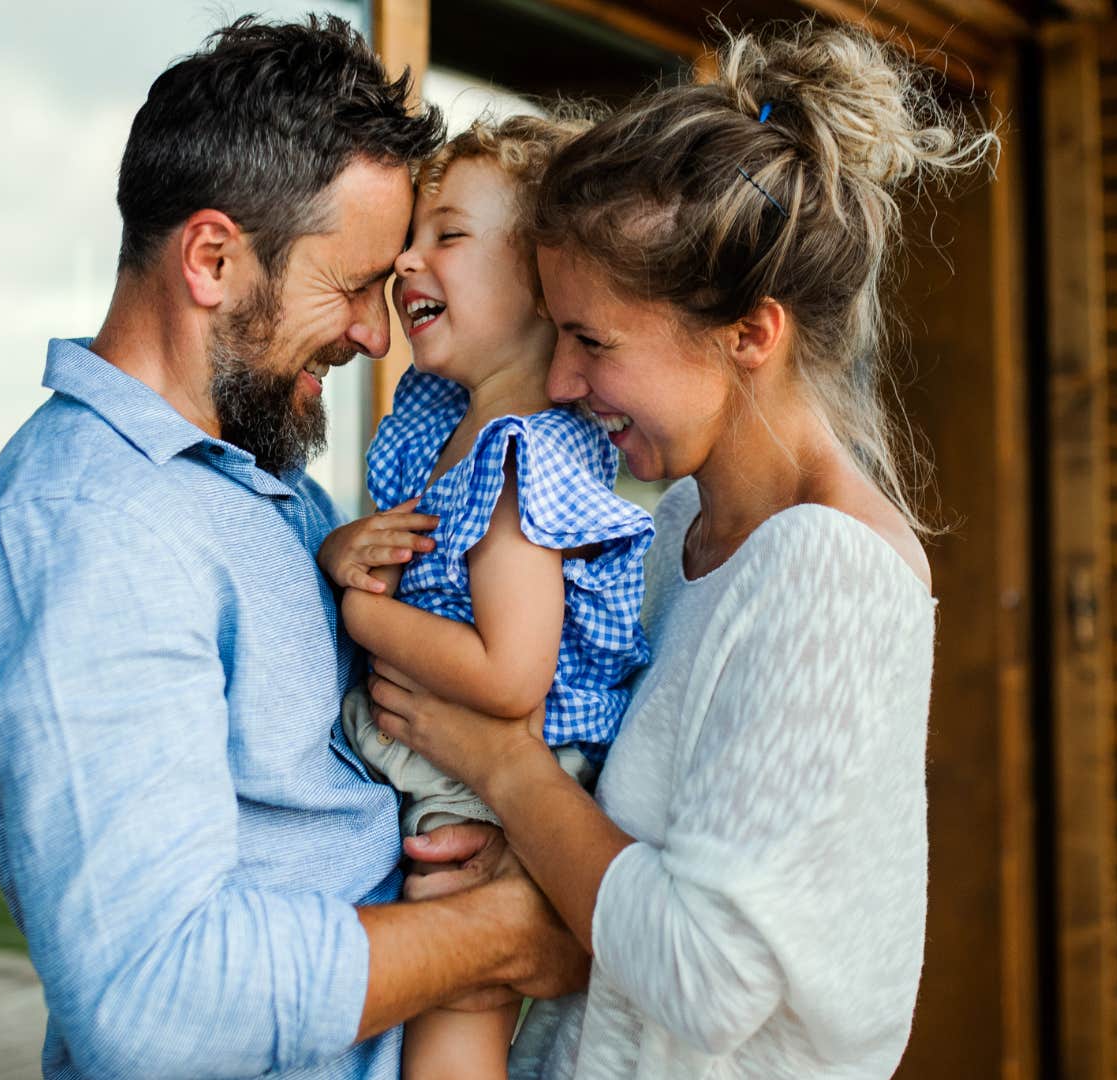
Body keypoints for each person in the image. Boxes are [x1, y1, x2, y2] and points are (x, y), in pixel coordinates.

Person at [0, 17, 586, 1079]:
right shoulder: (92, 531)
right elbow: (154, 995)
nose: (377, 334)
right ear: (213, 259)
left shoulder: (268, 490)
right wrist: (508, 932)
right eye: (353, 284)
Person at [365, 22, 994, 1077]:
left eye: (593, 341)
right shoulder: (666, 539)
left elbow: (708, 978)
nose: (561, 384)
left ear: (751, 333)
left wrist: (505, 769)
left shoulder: (828, 574)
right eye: (556, 334)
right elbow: (616, 859)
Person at [318, 116, 654, 1080]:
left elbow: (512, 675)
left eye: (447, 236)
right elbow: (404, 546)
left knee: (458, 989)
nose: (406, 261)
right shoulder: (445, 427)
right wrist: (346, 548)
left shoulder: (521, 457)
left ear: (545, 284)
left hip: (492, 774)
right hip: (441, 744)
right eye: (410, 238)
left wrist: (360, 614)